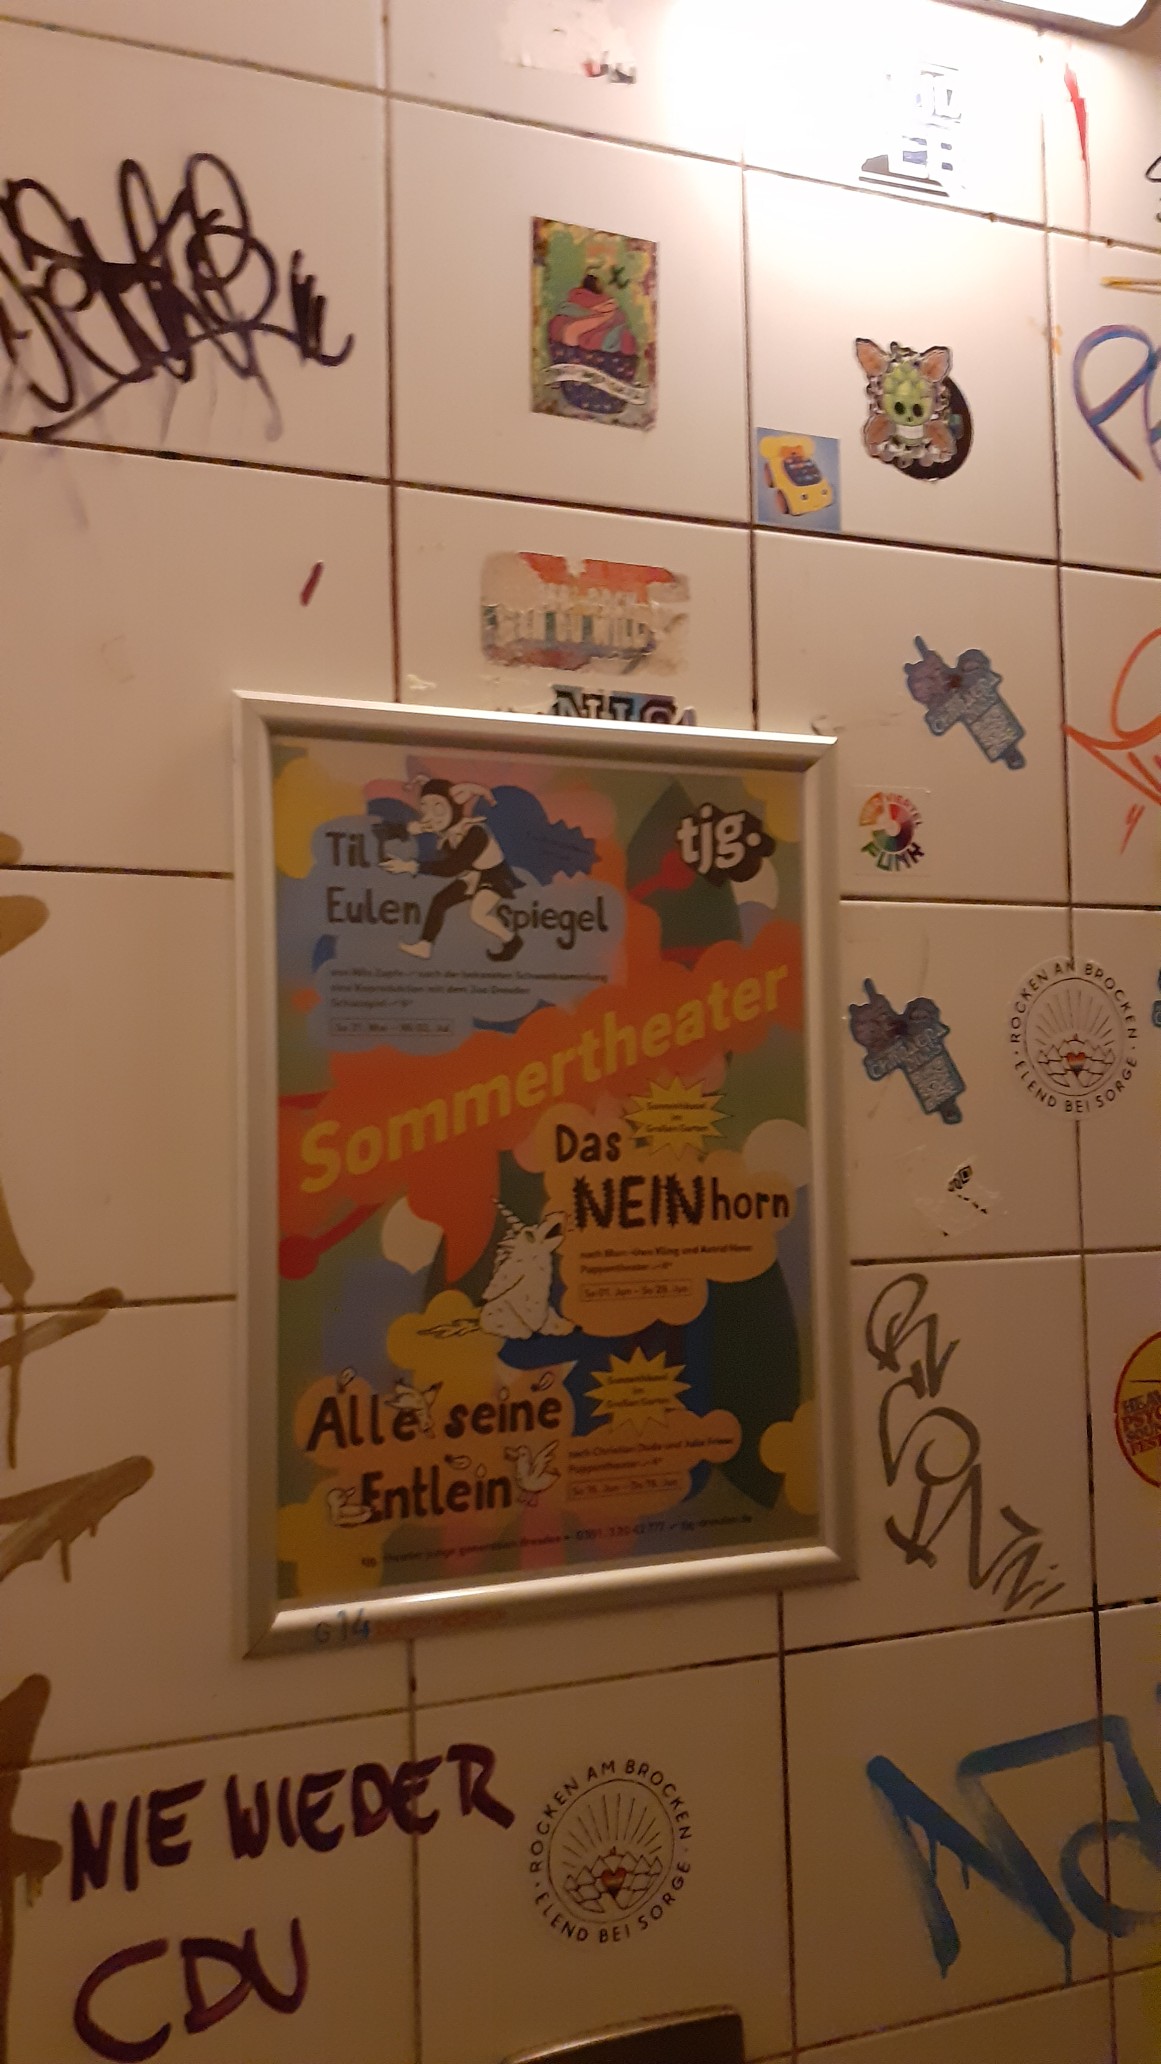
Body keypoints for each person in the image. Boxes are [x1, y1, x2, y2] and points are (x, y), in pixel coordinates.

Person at [380, 779, 522, 961]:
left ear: (453, 807)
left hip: (494, 876)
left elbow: (452, 867)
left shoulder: (475, 832)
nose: (430, 816)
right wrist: (403, 829)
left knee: (478, 914)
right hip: (473, 874)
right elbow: (407, 830)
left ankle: (511, 940)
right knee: (440, 900)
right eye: (425, 808)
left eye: (438, 808)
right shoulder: (449, 830)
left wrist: (411, 866)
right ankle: (425, 946)